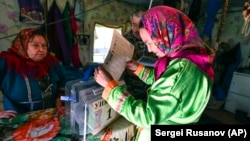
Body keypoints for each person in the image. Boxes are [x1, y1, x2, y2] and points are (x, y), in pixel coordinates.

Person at [94, 5, 215, 141]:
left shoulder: (180, 70)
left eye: (149, 43)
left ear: (164, 34)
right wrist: (139, 69)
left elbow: (147, 117)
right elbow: (165, 84)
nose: (149, 50)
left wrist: (111, 87)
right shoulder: (192, 58)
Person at [0, 28, 66, 115]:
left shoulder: (52, 62)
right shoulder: (7, 62)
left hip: (48, 116)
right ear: (23, 45)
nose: (41, 50)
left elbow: (62, 82)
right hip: (17, 119)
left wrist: (60, 98)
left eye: (44, 45)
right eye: (36, 45)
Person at [123, 8, 156, 101]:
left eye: (141, 25)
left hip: (151, 85)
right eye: (134, 25)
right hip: (131, 86)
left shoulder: (155, 38)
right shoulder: (125, 40)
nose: (137, 29)